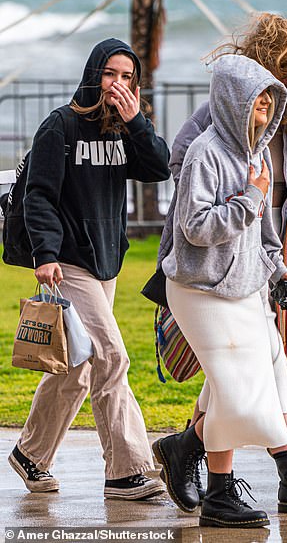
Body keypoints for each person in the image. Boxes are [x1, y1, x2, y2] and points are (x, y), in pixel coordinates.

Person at [153, 12, 287, 515]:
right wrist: (245, 195)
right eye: (279, 73)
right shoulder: (217, 130)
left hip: (264, 249)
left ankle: (192, 455)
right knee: (239, 376)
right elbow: (189, 183)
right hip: (215, 261)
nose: (284, 86)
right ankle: (281, 474)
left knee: (261, 366)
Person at [8, 38, 171, 500]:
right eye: (110, 74)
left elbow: (159, 167)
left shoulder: (123, 128)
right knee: (112, 358)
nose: (117, 84)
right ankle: (126, 471)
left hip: (106, 262)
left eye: (126, 77)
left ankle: (30, 454)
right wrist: (45, 254)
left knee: (77, 367)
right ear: (92, 74)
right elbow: (38, 195)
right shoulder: (59, 126)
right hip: (68, 263)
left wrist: (135, 119)